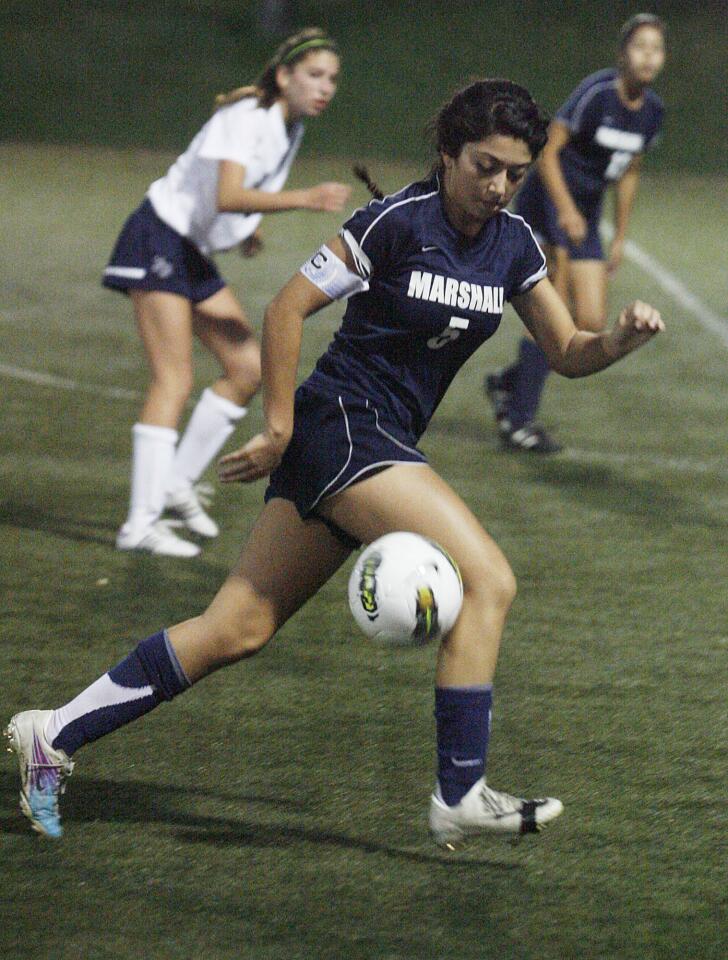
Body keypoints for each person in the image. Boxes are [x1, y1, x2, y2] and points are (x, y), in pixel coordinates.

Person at [6, 79, 664, 844]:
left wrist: (616, 339)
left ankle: (51, 731)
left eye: (515, 173)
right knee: (489, 579)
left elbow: (569, 352)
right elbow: (286, 307)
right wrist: (280, 424)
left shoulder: (513, 245)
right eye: (485, 166)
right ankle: (460, 792)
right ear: (448, 154)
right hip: (344, 425)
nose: (499, 186)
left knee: (236, 628)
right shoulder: (391, 224)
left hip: (372, 440)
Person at [103, 27, 351, 557]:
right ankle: (140, 524)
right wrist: (305, 198)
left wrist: (250, 228)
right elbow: (229, 194)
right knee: (173, 379)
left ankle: (175, 483)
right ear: (284, 76)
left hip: (190, 251)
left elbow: (235, 199)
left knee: (247, 369)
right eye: (314, 75)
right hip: (159, 237)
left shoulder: (289, 126)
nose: (324, 86)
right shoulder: (246, 118)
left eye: (331, 78)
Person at [485, 13, 666, 453]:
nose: (648, 56)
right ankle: (520, 422)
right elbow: (547, 152)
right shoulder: (597, 93)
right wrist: (563, 210)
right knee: (553, 309)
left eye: (657, 49)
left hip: (584, 215)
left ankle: (508, 384)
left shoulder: (653, 113)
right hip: (547, 203)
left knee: (589, 321)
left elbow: (629, 173)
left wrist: (620, 235)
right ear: (623, 54)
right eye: (640, 46)